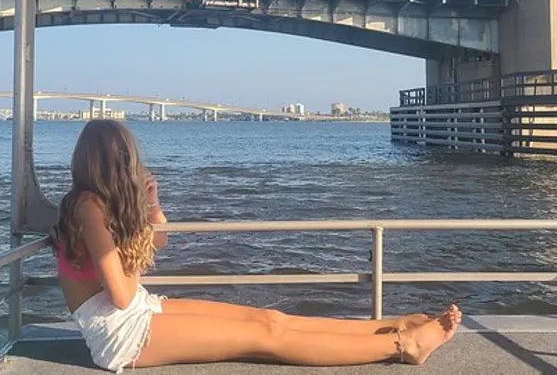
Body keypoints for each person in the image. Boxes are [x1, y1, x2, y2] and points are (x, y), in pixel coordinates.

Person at [50, 119, 462, 372]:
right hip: (121, 334)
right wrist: (138, 231)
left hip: (136, 310)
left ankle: (386, 327)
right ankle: (400, 346)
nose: (134, 164)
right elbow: (120, 295)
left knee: (270, 318)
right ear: (114, 161)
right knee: (267, 338)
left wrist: (151, 205)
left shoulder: (99, 203)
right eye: (128, 156)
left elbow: (156, 241)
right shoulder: (88, 207)